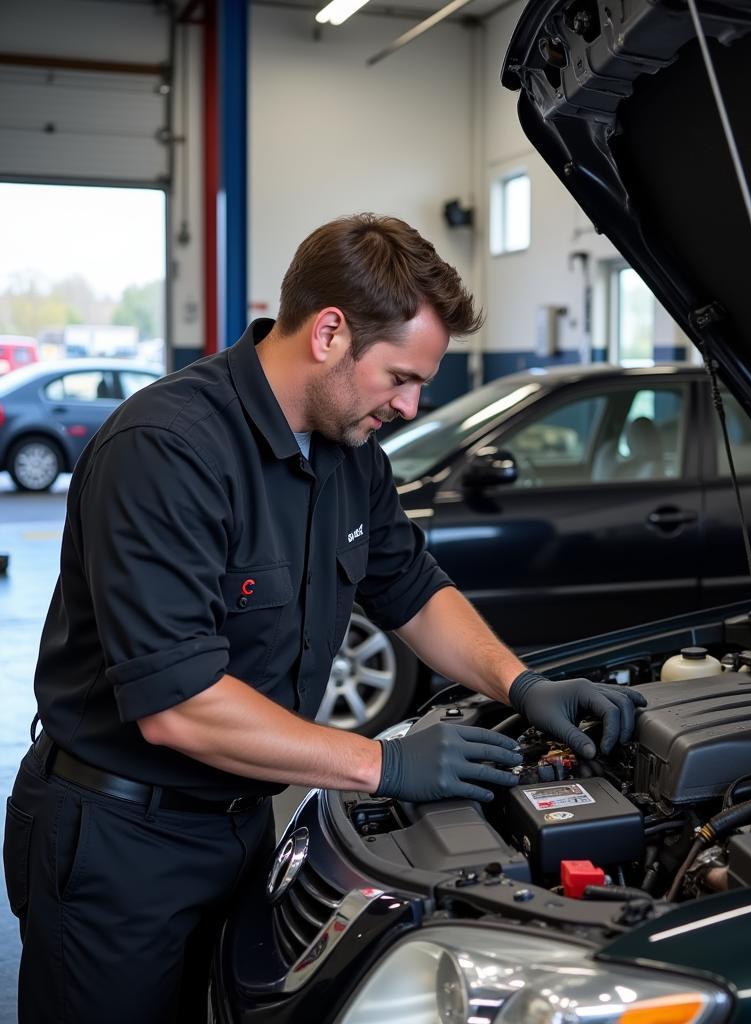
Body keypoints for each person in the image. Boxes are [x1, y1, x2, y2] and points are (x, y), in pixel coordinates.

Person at [3, 214, 646, 1023]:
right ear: (331, 332)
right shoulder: (166, 449)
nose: (411, 406)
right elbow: (178, 704)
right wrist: (385, 766)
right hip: (117, 842)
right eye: (399, 378)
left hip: (240, 828)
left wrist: (522, 683)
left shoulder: (349, 455)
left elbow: (411, 587)